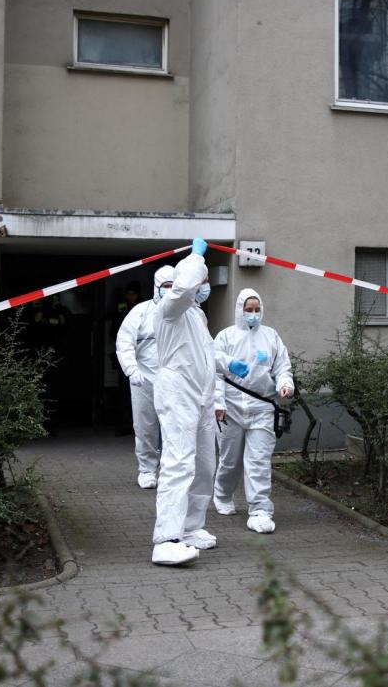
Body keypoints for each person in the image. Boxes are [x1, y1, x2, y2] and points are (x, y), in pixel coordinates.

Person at [150, 238, 249, 566]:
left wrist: (227, 363)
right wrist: (195, 257)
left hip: (203, 395)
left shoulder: (195, 315)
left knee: (205, 465)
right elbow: (182, 287)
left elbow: (203, 351)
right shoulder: (168, 310)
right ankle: (166, 538)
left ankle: (191, 527)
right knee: (179, 462)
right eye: (200, 281)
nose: (203, 286)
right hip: (178, 392)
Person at [212, 288, 294, 534]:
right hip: (231, 408)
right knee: (230, 460)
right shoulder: (225, 337)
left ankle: (260, 509)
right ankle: (222, 494)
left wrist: (285, 385)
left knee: (258, 461)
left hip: (262, 407)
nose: (253, 314)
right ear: (239, 309)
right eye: (248, 310)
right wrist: (218, 403)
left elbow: (282, 367)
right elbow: (214, 372)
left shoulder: (271, 337)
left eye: (257, 309)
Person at [115, 265, 174, 489]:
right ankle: (148, 469)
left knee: (173, 428)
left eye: (173, 286)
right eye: (165, 286)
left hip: (175, 381)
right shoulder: (141, 312)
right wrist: (132, 369)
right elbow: (124, 342)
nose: (169, 290)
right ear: (156, 287)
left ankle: (170, 470)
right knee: (145, 426)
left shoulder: (184, 312)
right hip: (144, 380)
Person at [112, 282, 144, 436]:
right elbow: (114, 330)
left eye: (133, 293)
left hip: (143, 357)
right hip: (126, 356)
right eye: (128, 293)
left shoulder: (144, 307)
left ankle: (140, 426)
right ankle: (125, 425)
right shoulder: (121, 307)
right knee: (124, 393)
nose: (130, 296)